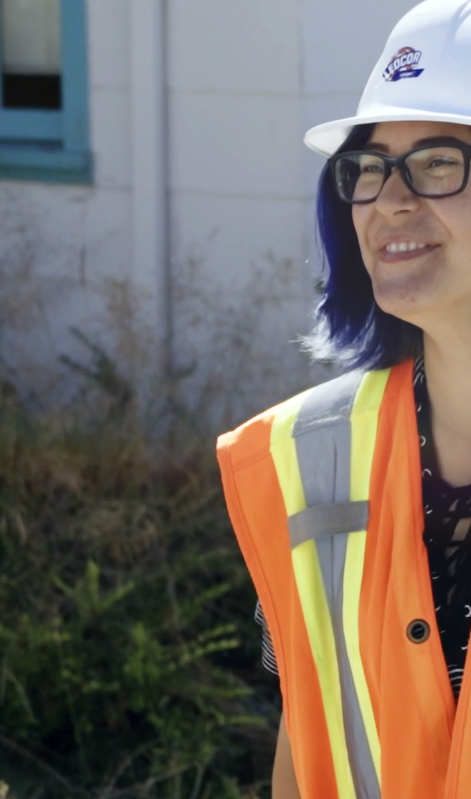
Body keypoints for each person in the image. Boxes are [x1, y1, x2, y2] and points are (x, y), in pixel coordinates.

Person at [217, 1, 471, 796]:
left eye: (435, 161)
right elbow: (310, 738)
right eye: (368, 168)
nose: (389, 200)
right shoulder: (302, 459)